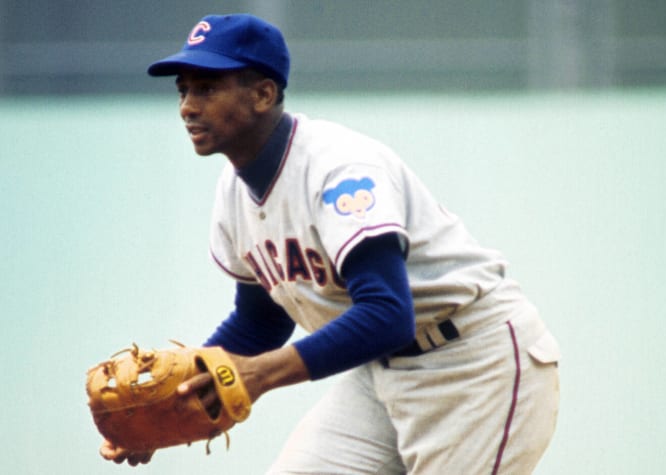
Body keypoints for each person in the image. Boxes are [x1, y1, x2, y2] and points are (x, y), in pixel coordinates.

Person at [100, 13, 560, 474]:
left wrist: (258, 376)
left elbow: (387, 314)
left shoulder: (338, 168)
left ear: (263, 93)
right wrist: (176, 402)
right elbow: (261, 321)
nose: (187, 107)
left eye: (207, 88)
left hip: (475, 361)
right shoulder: (233, 192)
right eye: (183, 90)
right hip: (380, 373)